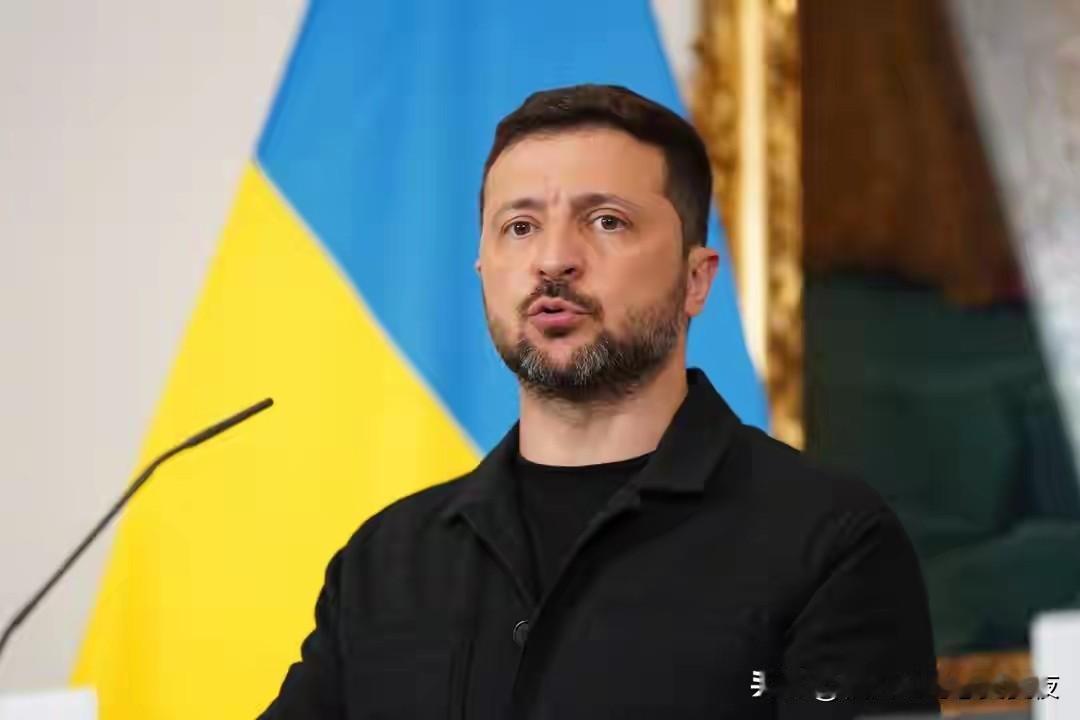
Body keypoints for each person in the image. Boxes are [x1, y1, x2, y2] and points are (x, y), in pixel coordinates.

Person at [260, 84, 940, 719]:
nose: (554, 259)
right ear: (483, 271)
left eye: (607, 221)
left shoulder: (831, 544)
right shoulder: (383, 563)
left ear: (696, 280)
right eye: (520, 227)